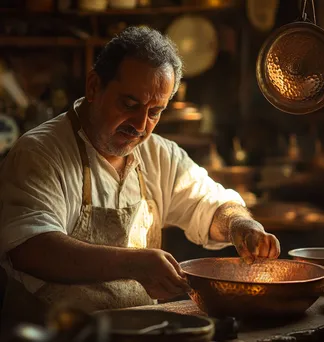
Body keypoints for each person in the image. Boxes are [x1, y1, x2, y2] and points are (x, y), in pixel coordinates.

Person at [0, 27, 280, 316]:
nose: (140, 124)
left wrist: (240, 226)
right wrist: (133, 263)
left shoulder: (159, 154)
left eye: (155, 112)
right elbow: (31, 248)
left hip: (137, 330)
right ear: (94, 87)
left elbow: (211, 206)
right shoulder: (41, 152)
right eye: (129, 104)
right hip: (53, 333)